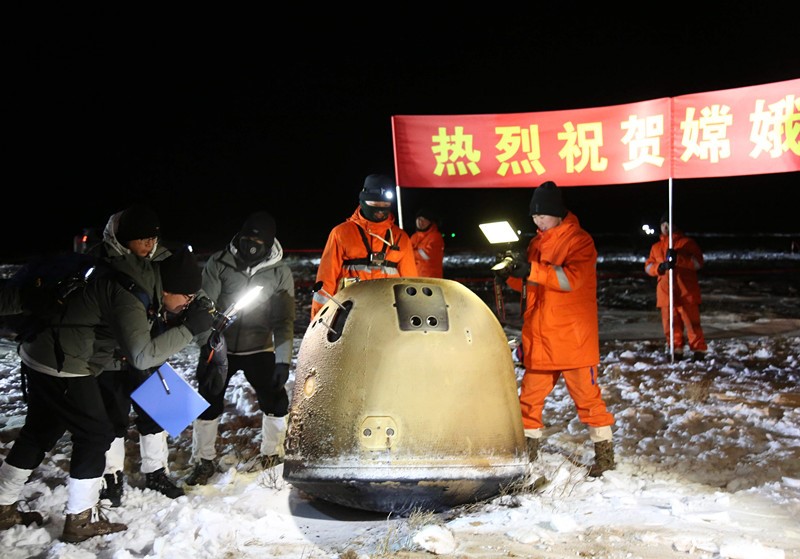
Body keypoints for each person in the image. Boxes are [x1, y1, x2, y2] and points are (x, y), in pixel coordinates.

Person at [0, 247, 213, 542]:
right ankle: (80, 520)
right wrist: (189, 329)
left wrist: (189, 317)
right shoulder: (130, 291)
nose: (188, 303)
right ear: (168, 289)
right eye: (187, 297)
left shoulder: (141, 275)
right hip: (64, 361)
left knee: (39, 432)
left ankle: (3, 506)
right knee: (95, 434)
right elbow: (140, 356)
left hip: (46, 353)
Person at [494, 180, 615, 477]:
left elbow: (571, 279)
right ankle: (528, 451)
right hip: (540, 336)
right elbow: (531, 286)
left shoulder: (580, 241)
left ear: (557, 213)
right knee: (529, 400)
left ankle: (605, 456)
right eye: (534, 216)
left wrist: (531, 270)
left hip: (572, 338)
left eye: (542, 216)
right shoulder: (535, 243)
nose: (538, 221)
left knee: (588, 400)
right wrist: (509, 274)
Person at [185, 211, 296, 486]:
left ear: (270, 243)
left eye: (259, 241)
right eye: (246, 239)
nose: (251, 246)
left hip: (259, 347)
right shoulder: (219, 263)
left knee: (275, 399)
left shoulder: (280, 272)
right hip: (220, 346)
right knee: (208, 400)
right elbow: (204, 305)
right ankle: (203, 459)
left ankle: (272, 454)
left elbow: (284, 319)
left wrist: (282, 361)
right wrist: (206, 349)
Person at [89, 205, 184, 506]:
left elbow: (180, 285)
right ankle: (111, 477)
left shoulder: (159, 258)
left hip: (149, 348)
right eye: (141, 239)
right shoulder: (99, 259)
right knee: (112, 417)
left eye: (152, 239)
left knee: (155, 412)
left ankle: (156, 471)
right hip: (109, 355)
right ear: (123, 237)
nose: (148, 245)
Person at [311, 174, 418, 319]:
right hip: (349, 310)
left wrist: (413, 315)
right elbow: (326, 278)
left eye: (385, 205)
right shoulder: (341, 233)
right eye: (374, 204)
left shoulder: (401, 238)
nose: (380, 210)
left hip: (387, 311)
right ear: (363, 202)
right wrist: (318, 320)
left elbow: (410, 282)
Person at [644, 212, 707, 360]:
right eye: (663, 224)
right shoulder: (656, 247)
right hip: (666, 293)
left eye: (669, 224)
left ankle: (698, 350)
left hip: (686, 292)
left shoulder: (687, 243)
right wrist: (659, 267)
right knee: (671, 326)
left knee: (692, 325)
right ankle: (675, 350)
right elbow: (648, 266)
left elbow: (698, 263)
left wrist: (678, 258)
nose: (665, 227)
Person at [409, 207, 445, 278]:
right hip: (415, 276)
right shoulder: (414, 237)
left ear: (430, 222)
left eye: (423, 220)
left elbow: (427, 255)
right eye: (418, 219)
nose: (420, 222)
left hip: (431, 277)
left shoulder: (435, 237)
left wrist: (411, 253)